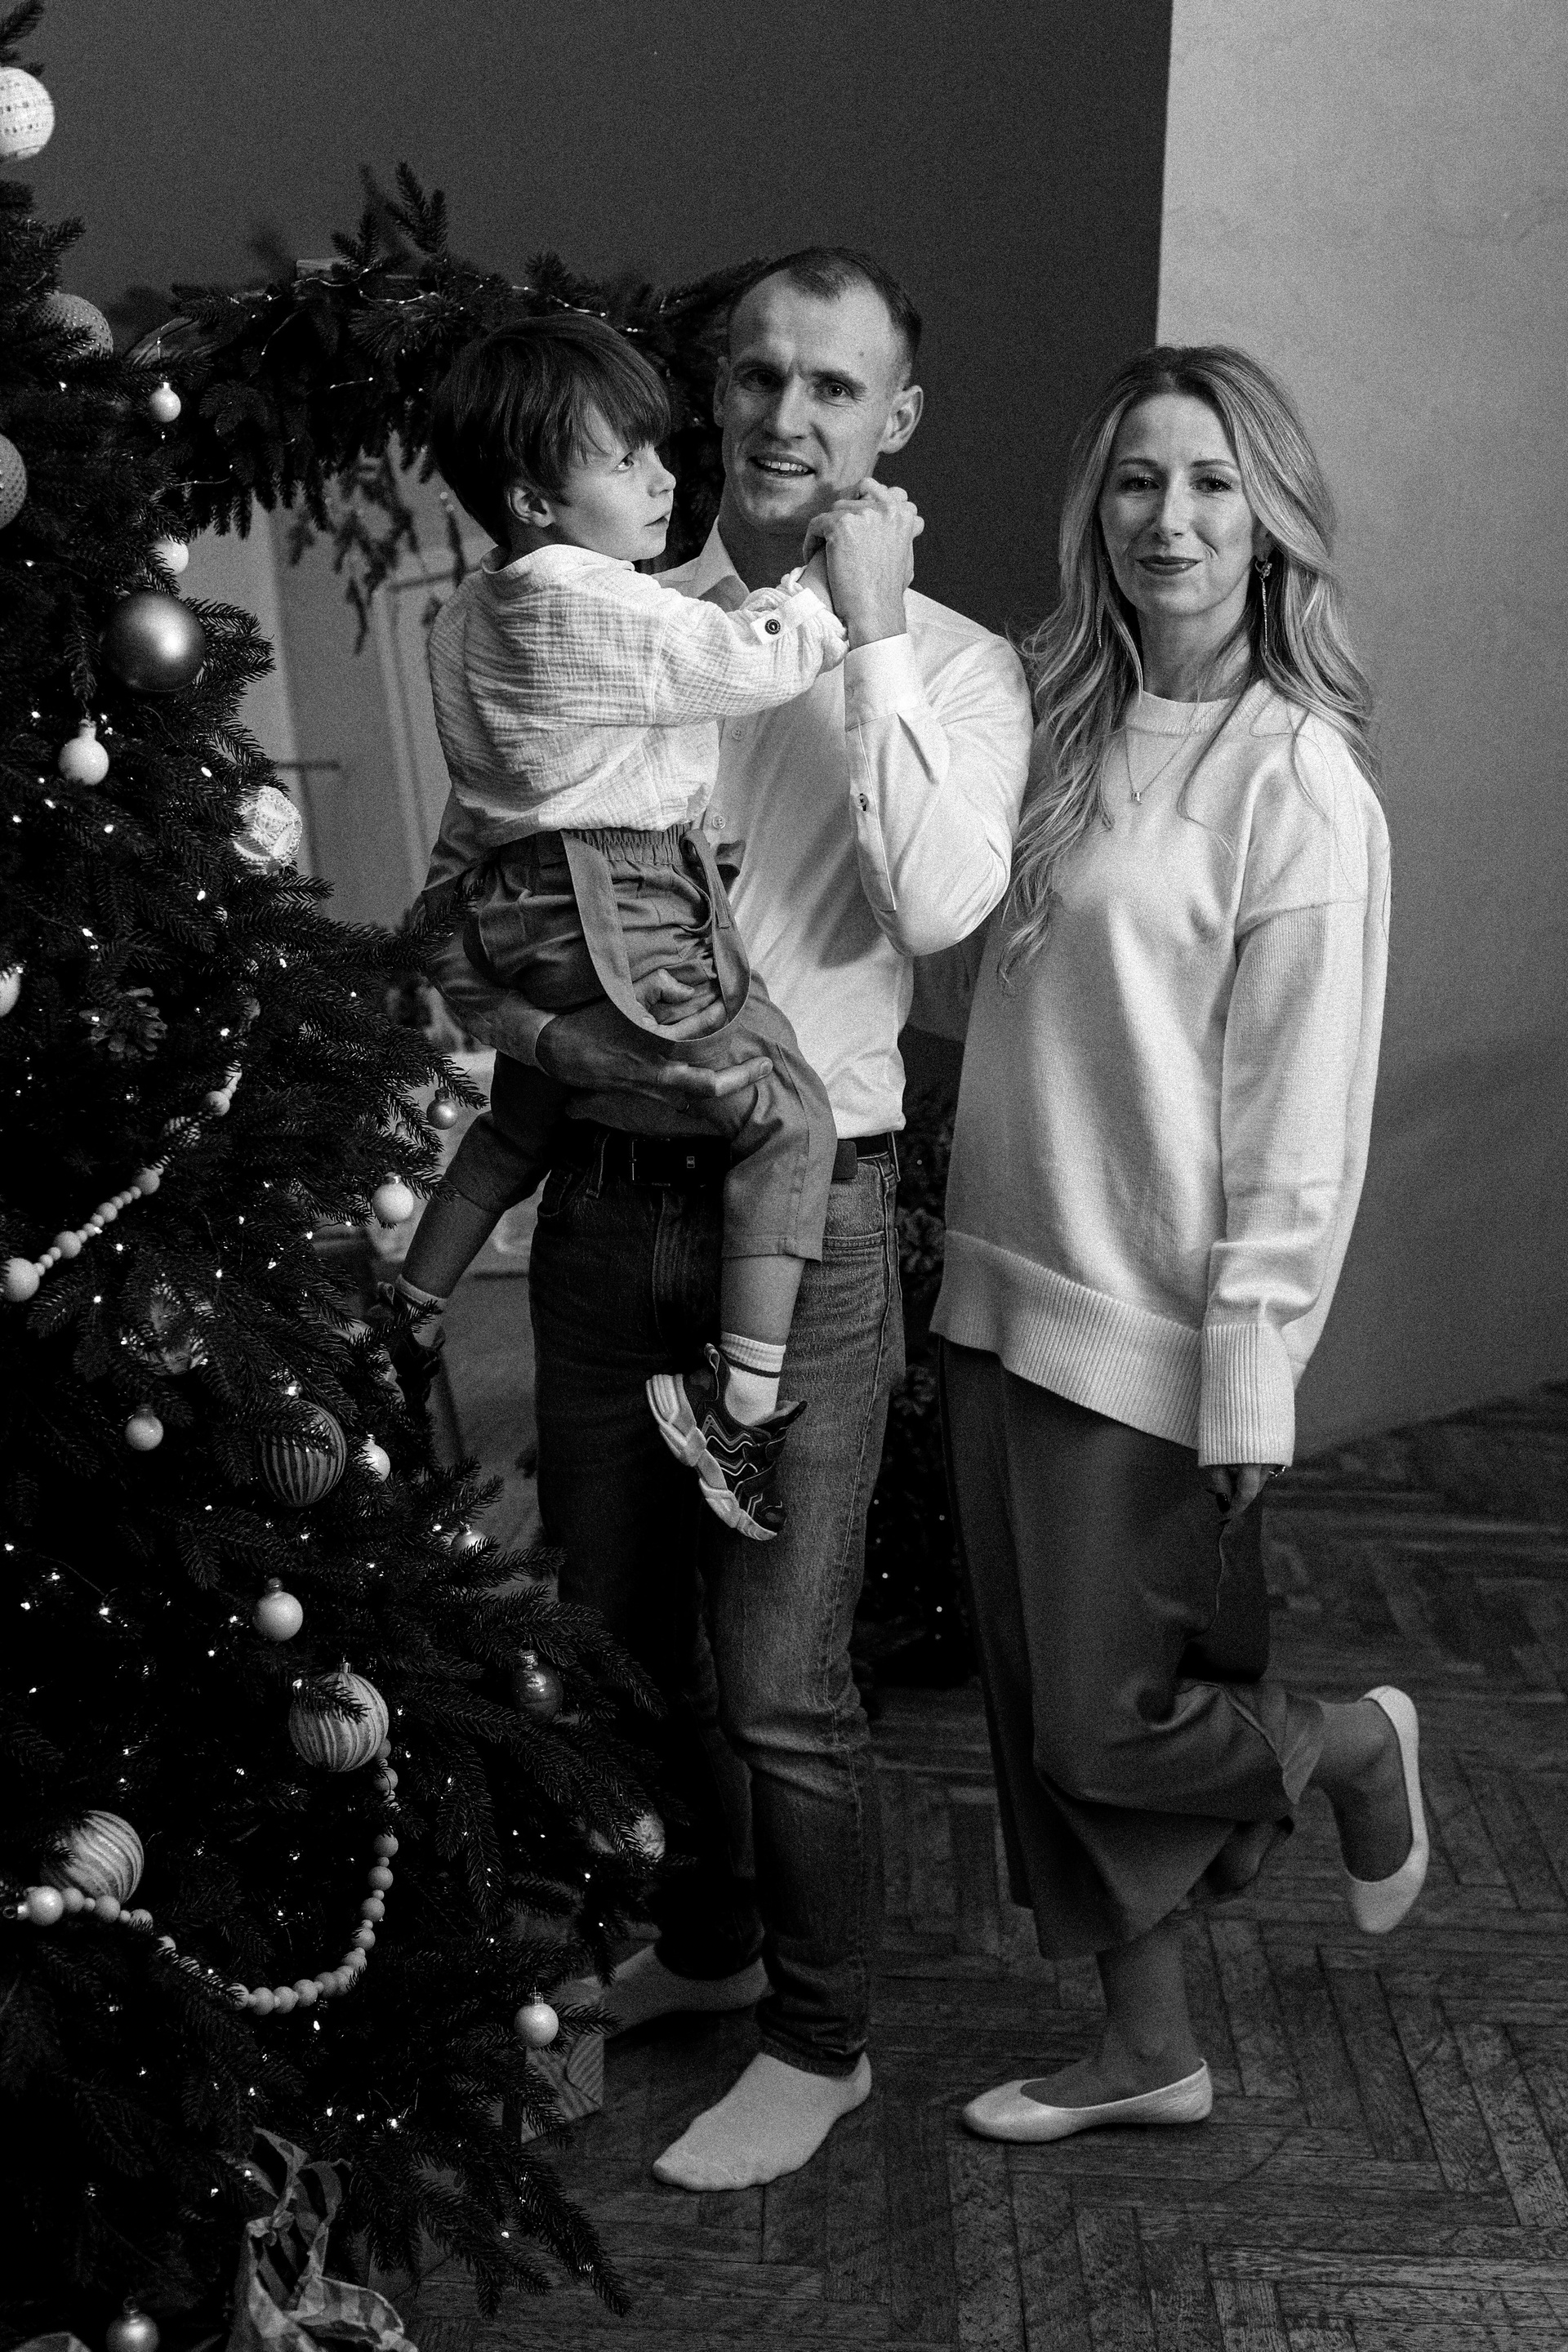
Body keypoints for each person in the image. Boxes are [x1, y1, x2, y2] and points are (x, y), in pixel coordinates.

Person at [421, 248, 1032, 2189]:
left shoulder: (954, 666)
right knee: (614, 1642)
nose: (785, 416)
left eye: (834, 387)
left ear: (896, 420)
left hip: (811, 1217)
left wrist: (866, 638)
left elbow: (938, 910)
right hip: (607, 1201)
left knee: (782, 1685)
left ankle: (822, 2039)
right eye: (758, 376)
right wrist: (531, 1033)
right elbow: (488, 886)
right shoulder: (598, 613)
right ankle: (704, 1941)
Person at [924, 345, 1426, 2145]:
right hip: (998, 1280)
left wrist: (1251, 1367)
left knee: (1105, 1721)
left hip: (1152, 1324)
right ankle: (1148, 2048)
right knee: (1035, 1706)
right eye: (1139, 480)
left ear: (1271, 519)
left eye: (1213, 482)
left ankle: (1350, 1744)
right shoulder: (1054, 726)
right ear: (1099, 513)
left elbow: (1301, 1112)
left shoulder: (1299, 781)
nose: (1172, 518)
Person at [391, 313, 855, 1540]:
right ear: (535, 500)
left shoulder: (472, 612)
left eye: (658, 450)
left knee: (516, 1125)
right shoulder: (588, 597)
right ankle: (739, 1412)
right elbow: (752, 661)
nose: (662, 478)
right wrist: (829, 580)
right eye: (624, 459)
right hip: (619, 902)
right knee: (789, 1115)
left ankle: (412, 1305)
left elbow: (497, 801)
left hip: (523, 904)